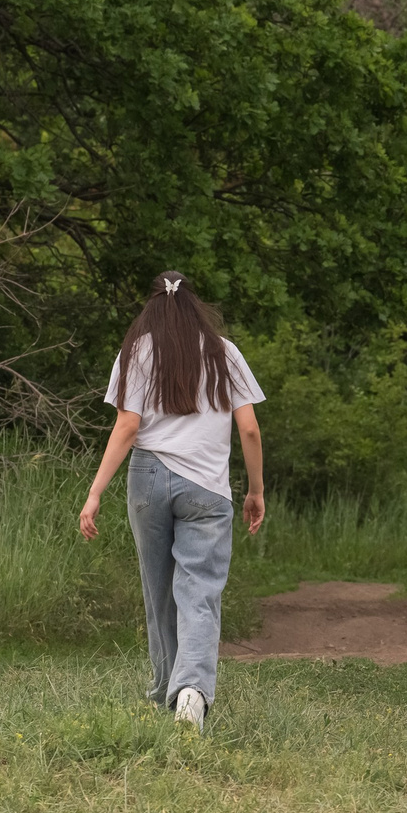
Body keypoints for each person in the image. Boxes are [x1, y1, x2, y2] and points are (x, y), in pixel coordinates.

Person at [77, 270, 266, 729]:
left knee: (158, 590)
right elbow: (249, 429)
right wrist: (255, 490)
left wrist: (95, 492)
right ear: (195, 306)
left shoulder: (137, 351)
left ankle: (168, 689)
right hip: (206, 489)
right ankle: (190, 693)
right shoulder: (225, 352)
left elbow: (127, 427)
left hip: (148, 478)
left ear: (152, 307)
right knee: (199, 591)